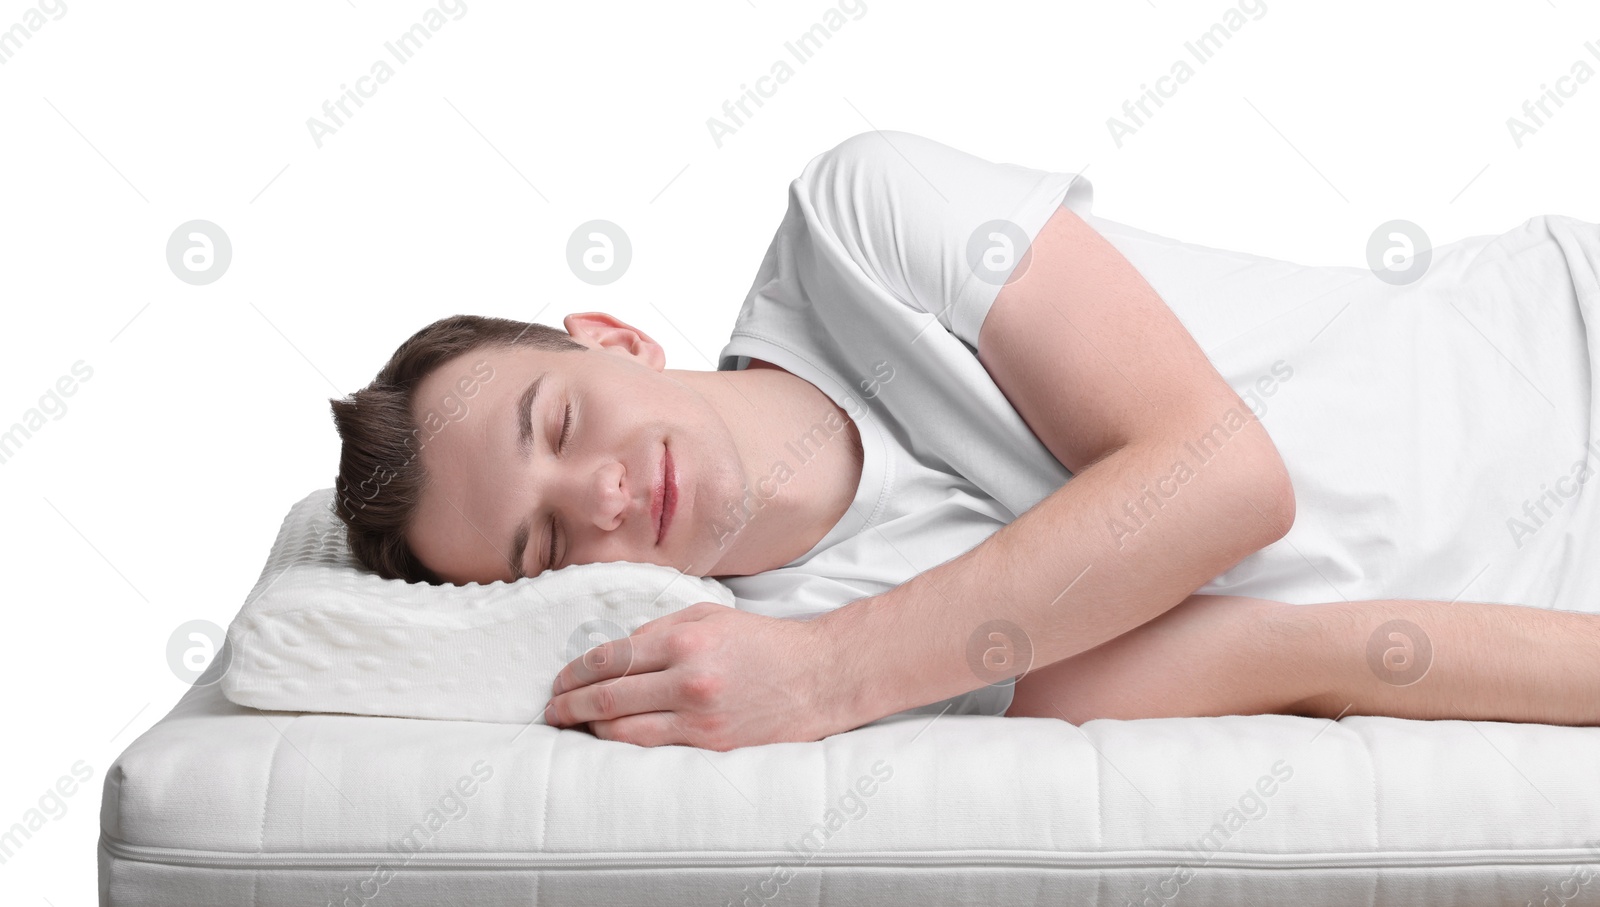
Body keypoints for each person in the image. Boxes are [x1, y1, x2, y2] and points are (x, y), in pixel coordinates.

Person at [328, 130, 1600, 751]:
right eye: (546, 538)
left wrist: (826, 675)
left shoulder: (856, 224)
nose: (600, 494)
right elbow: (1317, 649)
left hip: (1562, 333)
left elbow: (1223, 480)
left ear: (610, 339)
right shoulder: (886, 652)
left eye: (557, 424)